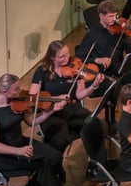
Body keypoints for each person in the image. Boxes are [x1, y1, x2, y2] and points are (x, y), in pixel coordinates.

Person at [0, 74, 79, 186]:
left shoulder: (18, 102)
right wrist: (18, 151)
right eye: (16, 89)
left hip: (22, 143)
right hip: (5, 155)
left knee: (55, 156)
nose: (20, 91)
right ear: (4, 92)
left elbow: (32, 121)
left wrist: (51, 110)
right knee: (45, 163)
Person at [29, 41, 104, 178]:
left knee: (94, 124)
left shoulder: (75, 67)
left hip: (72, 110)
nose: (66, 58)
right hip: (51, 114)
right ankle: (53, 170)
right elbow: (33, 98)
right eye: (61, 56)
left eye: (67, 54)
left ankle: (96, 165)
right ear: (52, 57)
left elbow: (79, 94)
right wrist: (56, 99)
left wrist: (93, 85)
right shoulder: (41, 72)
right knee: (59, 137)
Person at [75, 0, 131, 82]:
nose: (115, 19)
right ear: (101, 16)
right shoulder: (92, 34)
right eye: (111, 16)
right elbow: (79, 57)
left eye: (116, 16)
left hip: (120, 69)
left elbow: (129, 51)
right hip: (102, 74)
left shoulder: (119, 30)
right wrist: (97, 60)